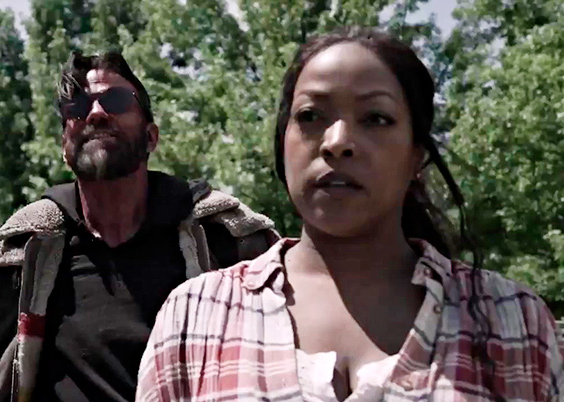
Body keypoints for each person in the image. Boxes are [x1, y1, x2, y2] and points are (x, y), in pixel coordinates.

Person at [136, 28, 564, 401]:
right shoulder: (196, 316)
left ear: (416, 155)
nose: (337, 142)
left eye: (375, 118)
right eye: (311, 116)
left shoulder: (513, 323)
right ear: (283, 142)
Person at [0, 52, 279, 402]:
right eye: (77, 108)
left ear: (151, 136)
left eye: (115, 100)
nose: (96, 114)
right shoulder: (14, 259)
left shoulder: (227, 242)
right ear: (65, 149)